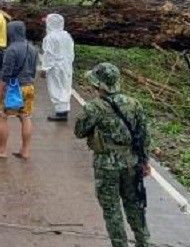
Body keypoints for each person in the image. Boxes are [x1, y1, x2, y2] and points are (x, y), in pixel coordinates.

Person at [75, 63, 151, 247]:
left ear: (99, 85)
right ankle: (144, 242)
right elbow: (144, 135)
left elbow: (79, 131)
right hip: (131, 162)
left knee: (112, 210)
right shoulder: (134, 104)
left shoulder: (94, 108)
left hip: (106, 165)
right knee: (135, 205)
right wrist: (145, 161)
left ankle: (120, 244)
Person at [0, 21, 37, 160]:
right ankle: (25, 151)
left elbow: (6, 73)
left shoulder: (11, 49)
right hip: (29, 86)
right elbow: (33, 71)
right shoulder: (32, 48)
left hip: (13, 88)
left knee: (1, 116)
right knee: (25, 117)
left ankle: (2, 150)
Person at [41, 13, 75, 122]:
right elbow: (71, 52)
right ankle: (63, 111)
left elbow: (48, 54)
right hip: (66, 65)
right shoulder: (67, 35)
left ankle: (60, 112)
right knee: (65, 87)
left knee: (56, 88)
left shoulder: (50, 37)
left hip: (55, 67)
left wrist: (44, 68)